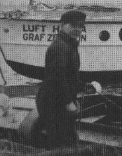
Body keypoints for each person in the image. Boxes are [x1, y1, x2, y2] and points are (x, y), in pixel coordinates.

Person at [35, 10, 86, 150]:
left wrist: (85, 87)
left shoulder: (70, 45)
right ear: (62, 25)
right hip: (53, 103)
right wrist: (68, 102)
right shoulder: (60, 46)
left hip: (59, 100)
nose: (77, 29)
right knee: (60, 144)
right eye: (73, 25)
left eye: (81, 26)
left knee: (68, 139)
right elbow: (57, 77)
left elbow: (70, 76)